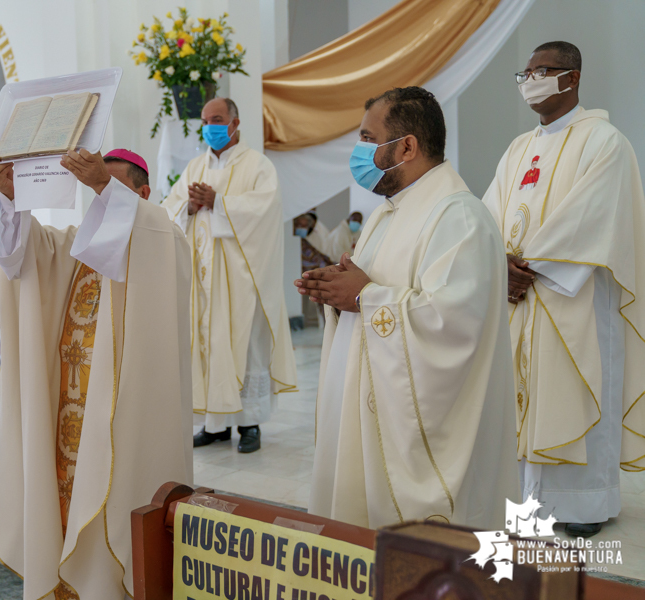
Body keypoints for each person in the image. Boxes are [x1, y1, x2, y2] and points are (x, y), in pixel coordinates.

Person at [298, 86, 518, 530]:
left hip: (415, 443)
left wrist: (363, 295)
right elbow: (367, 291)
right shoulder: (386, 212)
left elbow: (452, 325)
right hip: (362, 414)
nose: (358, 152)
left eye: (366, 138)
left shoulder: (460, 217)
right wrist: (337, 294)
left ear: (407, 146)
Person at [0, 149, 193, 599]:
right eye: (93, 191)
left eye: (109, 189)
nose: (100, 201)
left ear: (142, 194)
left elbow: (148, 232)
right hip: (66, 425)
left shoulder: (163, 236)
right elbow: (22, 254)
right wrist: (11, 201)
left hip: (123, 431)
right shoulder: (73, 248)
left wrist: (103, 185)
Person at [482, 41, 645, 538]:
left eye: (541, 70)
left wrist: (528, 267)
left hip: (572, 295)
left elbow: (596, 218)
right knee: (525, 393)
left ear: (571, 78)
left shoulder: (605, 142)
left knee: (577, 385)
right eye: (525, 72)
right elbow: (489, 213)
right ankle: (529, 499)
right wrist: (496, 262)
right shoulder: (518, 148)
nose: (529, 79)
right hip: (520, 294)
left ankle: (584, 503)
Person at [161, 97, 297, 454]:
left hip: (241, 280)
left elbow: (266, 213)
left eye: (217, 119)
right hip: (202, 282)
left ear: (235, 123)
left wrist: (218, 202)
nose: (210, 127)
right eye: (206, 120)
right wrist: (188, 207)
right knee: (208, 347)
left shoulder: (258, 166)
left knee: (245, 346)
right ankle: (215, 424)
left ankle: (249, 423)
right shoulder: (194, 168)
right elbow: (169, 209)